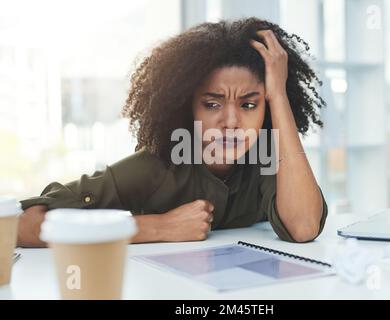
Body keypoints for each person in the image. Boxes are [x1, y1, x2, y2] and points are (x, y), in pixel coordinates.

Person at [18, 17, 327, 247]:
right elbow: (23, 226)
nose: (231, 122)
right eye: (211, 104)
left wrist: (280, 96)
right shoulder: (155, 168)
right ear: (186, 107)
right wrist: (158, 228)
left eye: (249, 105)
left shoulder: (268, 160)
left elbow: (303, 227)